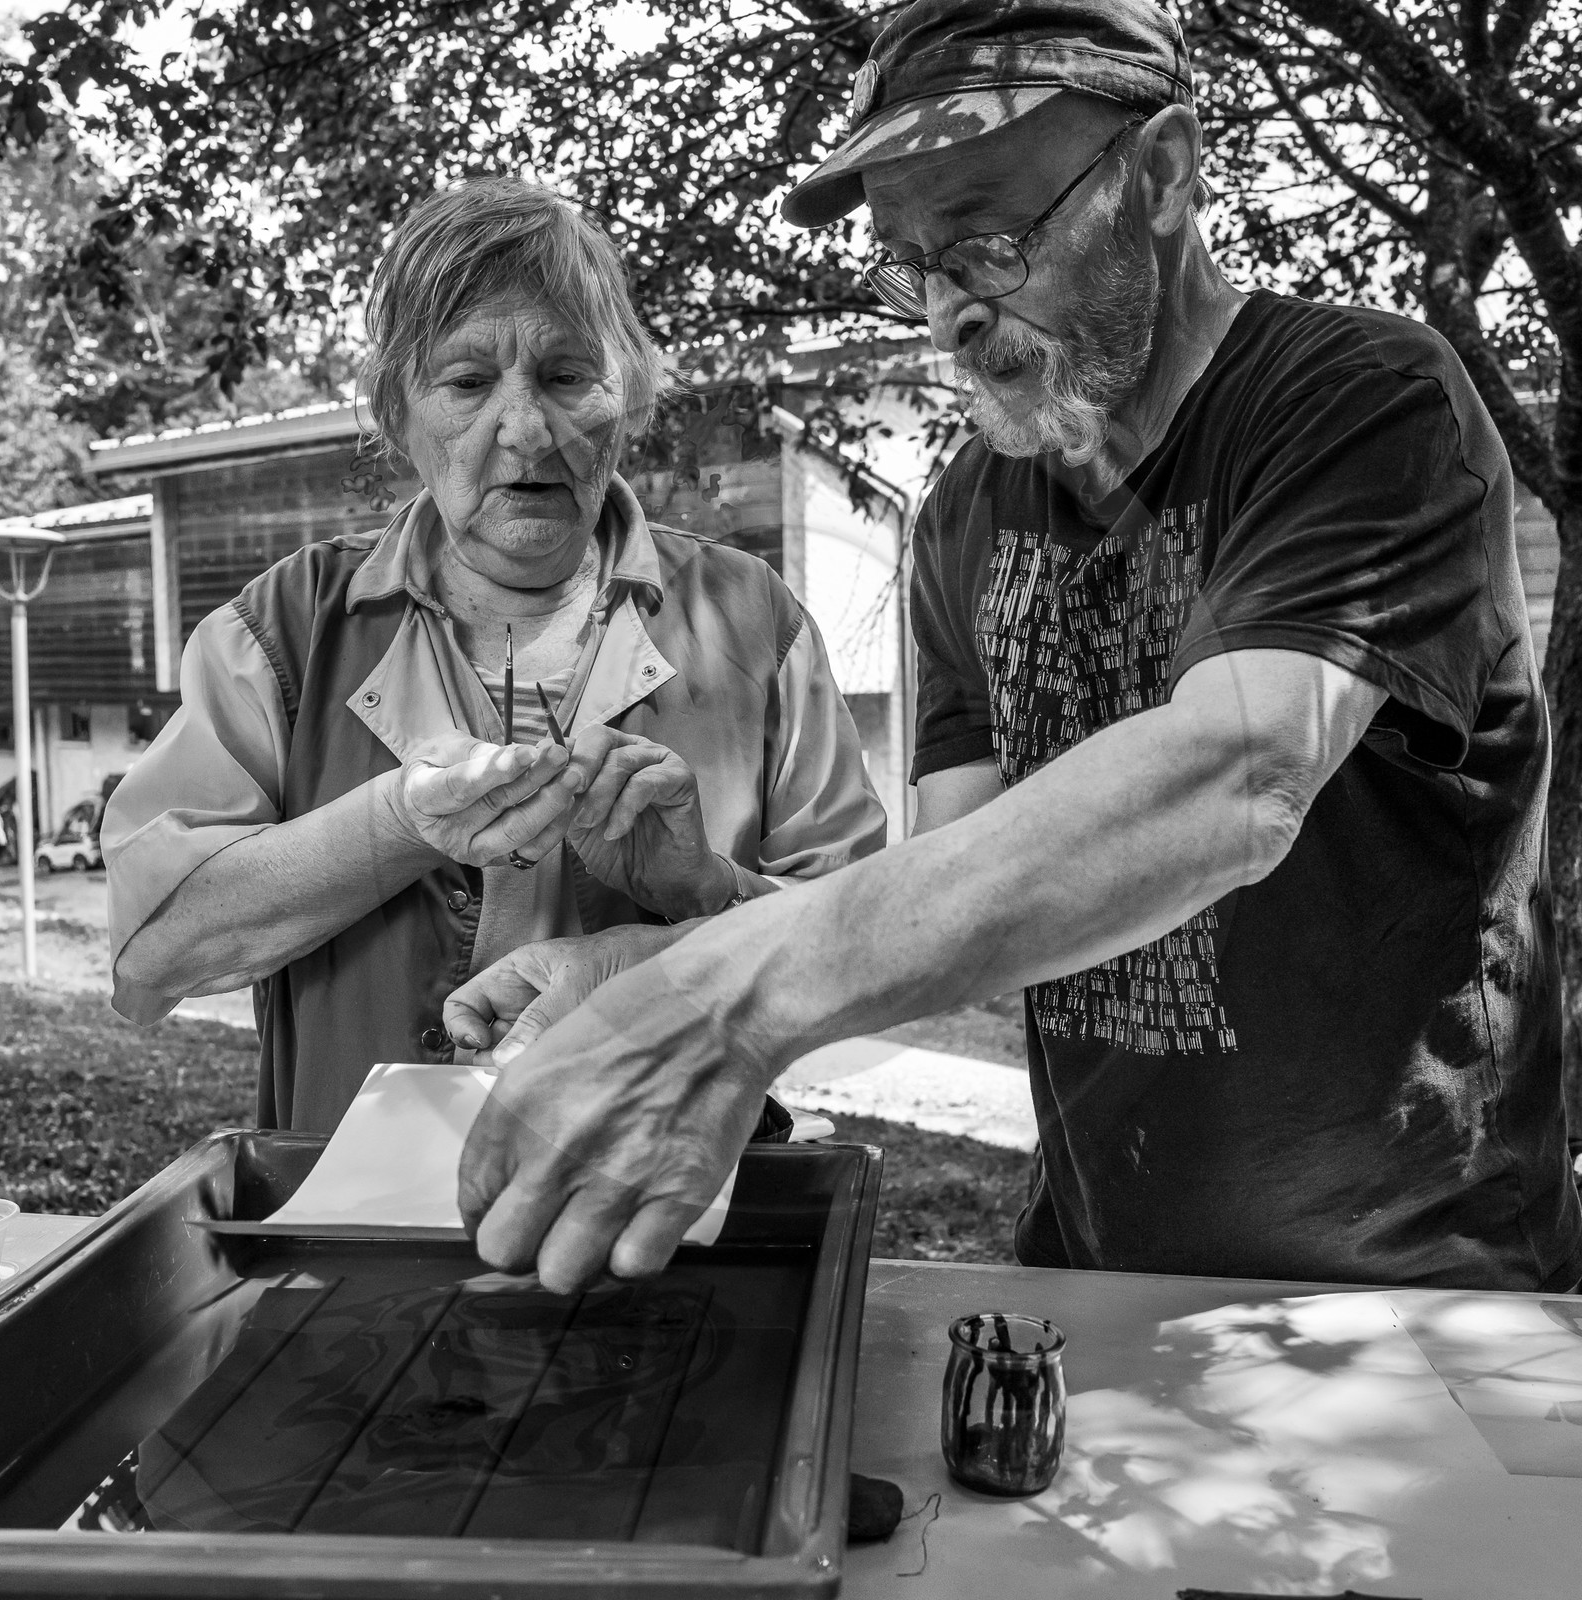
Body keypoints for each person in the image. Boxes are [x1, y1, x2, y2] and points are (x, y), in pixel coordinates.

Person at [447, 0, 1582, 1299]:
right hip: (1089, 1276)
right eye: (911, 266)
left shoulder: (1362, 406)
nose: (945, 318)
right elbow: (945, 903)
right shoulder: (967, 515)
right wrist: (660, 952)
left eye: (986, 242)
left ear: (1161, 178)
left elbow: (1236, 779)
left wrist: (725, 996)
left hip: (1408, 1305)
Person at [101, 176, 885, 1133]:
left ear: (627, 398)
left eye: (566, 376)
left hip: (671, 1217)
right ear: (397, 413)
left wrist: (703, 893)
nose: (524, 429)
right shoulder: (287, 628)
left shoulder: (754, 623)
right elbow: (150, 955)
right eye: (467, 383)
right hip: (360, 1222)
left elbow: (874, 952)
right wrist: (396, 824)